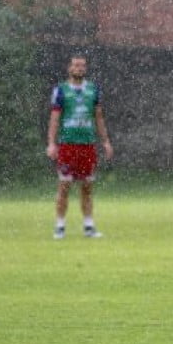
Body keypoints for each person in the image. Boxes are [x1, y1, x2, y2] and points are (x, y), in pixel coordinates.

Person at [46, 55, 113, 240]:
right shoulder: (61, 90)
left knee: (87, 186)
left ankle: (89, 226)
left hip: (87, 145)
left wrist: (105, 141)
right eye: (76, 65)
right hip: (68, 145)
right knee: (64, 185)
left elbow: (99, 117)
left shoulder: (93, 90)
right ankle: (59, 226)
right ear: (69, 68)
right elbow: (54, 117)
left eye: (82, 65)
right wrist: (51, 143)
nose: (79, 68)